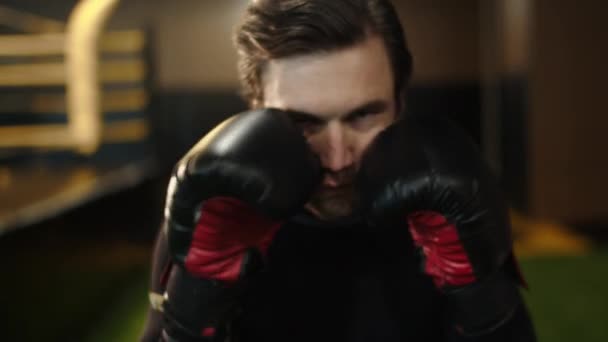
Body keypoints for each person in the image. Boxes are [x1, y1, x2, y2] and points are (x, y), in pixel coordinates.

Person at [141, 0, 537, 341]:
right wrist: (198, 302)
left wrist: (478, 294)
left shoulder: (450, 207)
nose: (338, 159)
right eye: (302, 122)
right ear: (254, 108)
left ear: (400, 101)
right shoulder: (216, 212)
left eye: (363, 115)